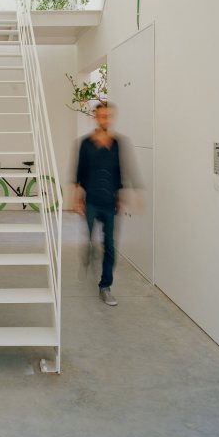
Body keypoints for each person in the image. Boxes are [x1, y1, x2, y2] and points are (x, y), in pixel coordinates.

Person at [74, 102, 122, 306]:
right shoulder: (86, 143)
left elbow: (119, 171)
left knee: (109, 246)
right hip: (91, 201)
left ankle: (105, 286)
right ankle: (89, 251)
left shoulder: (116, 143)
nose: (105, 119)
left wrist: (120, 197)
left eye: (108, 116)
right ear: (96, 118)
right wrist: (77, 200)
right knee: (92, 240)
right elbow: (79, 172)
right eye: (102, 116)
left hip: (109, 202)